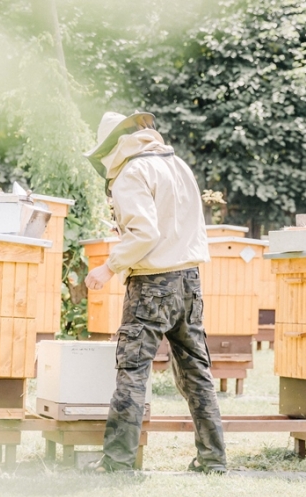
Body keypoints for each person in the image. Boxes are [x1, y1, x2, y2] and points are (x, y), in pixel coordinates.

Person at [82, 111, 227, 474]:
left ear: (111, 146)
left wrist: (108, 267)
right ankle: (213, 460)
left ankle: (117, 463)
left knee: (132, 371)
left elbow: (145, 234)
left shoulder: (132, 172)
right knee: (196, 372)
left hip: (151, 284)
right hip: (190, 281)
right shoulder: (178, 165)